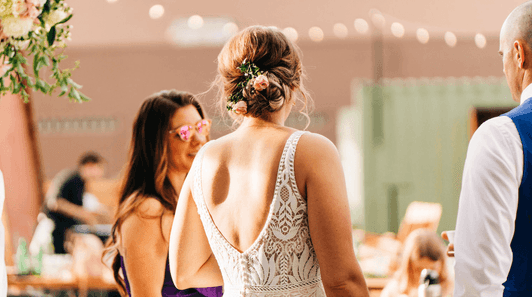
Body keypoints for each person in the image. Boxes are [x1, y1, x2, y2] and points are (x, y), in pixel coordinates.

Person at [169, 26, 369, 296]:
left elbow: (185, 272)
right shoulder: (311, 151)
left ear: (229, 90)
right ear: (294, 83)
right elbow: (343, 281)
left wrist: (245, 272)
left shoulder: (205, 159)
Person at [445, 1, 532, 296]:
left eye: (503, 56)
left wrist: (476, 246)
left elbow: (478, 283)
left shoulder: (501, 136)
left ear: (519, 54)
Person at [103, 90, 222, 297]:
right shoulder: (148, 211)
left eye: (201, 127)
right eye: (184, 132)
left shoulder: (192, 202)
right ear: (156, 142)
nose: (198, 139)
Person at [45, 151, 108, 254]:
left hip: (65, 232)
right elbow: (53, 203)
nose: (101, 173)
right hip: (53, 230)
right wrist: (81, 213)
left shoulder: (81, 184)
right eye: (100, 168)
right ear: (89, 165)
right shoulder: (69, 177)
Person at [381, 229, 452, 297]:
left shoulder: (450, 288)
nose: (426, 278)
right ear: (409, 268)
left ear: (442, 264)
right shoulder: (395, 289)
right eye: (419, 269)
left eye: (432, 269)